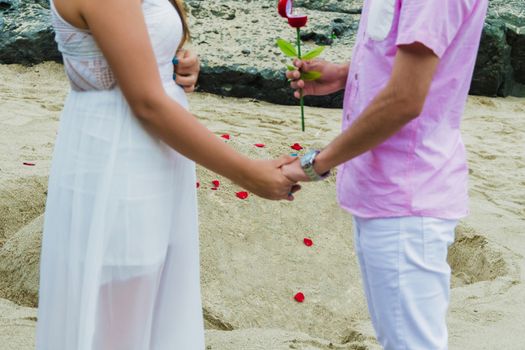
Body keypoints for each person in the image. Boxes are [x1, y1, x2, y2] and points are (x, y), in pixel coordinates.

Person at [36, 0, 299, 348]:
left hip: (153, 153)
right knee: (122, 304)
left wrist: (173, 61)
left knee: (153, 300)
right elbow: (146, 103)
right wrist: (248, 173)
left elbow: (135, 52)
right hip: (119, 156)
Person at [283, 0, 489, 348]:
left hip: (406, 197)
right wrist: (347, 74)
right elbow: (415, 64)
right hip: (388, 194)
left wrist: (316, 164)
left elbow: (405, 99)